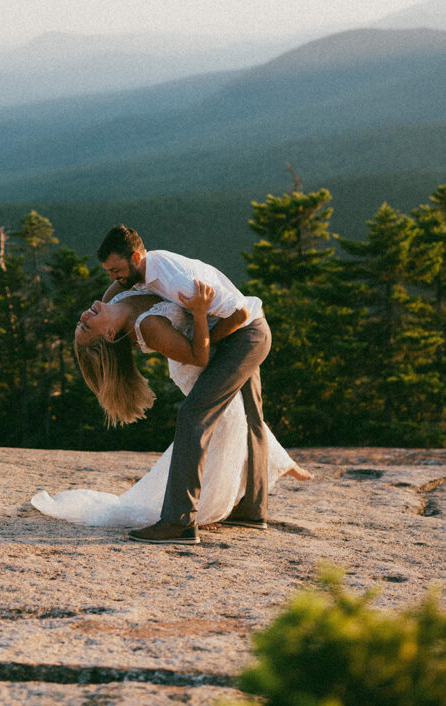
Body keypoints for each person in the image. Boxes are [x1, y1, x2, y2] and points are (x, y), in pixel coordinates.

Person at [30, 284, 311, 539]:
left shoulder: (111, 300)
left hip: (223, 346)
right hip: (196, 364)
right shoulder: (148, 329)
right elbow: (197, 354)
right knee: (227, 423)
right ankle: (194, 514)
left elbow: (133, 270)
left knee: (241, 417)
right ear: (110, 334)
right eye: (85, 327)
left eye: (80, 324)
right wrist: (202, 313)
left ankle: (247, 503)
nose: (82, 317)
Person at [97, 225, 277, 544]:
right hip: (248, 330)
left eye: (117, 270)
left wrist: (197, 335)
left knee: (195, 416)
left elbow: (238, 314)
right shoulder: (145, 272)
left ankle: (178, 521)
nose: (115, 278)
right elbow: (114, 292)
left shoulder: (174, 279)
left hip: (245, 334)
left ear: (136, 257)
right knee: (252, 419)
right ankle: (252, 511)